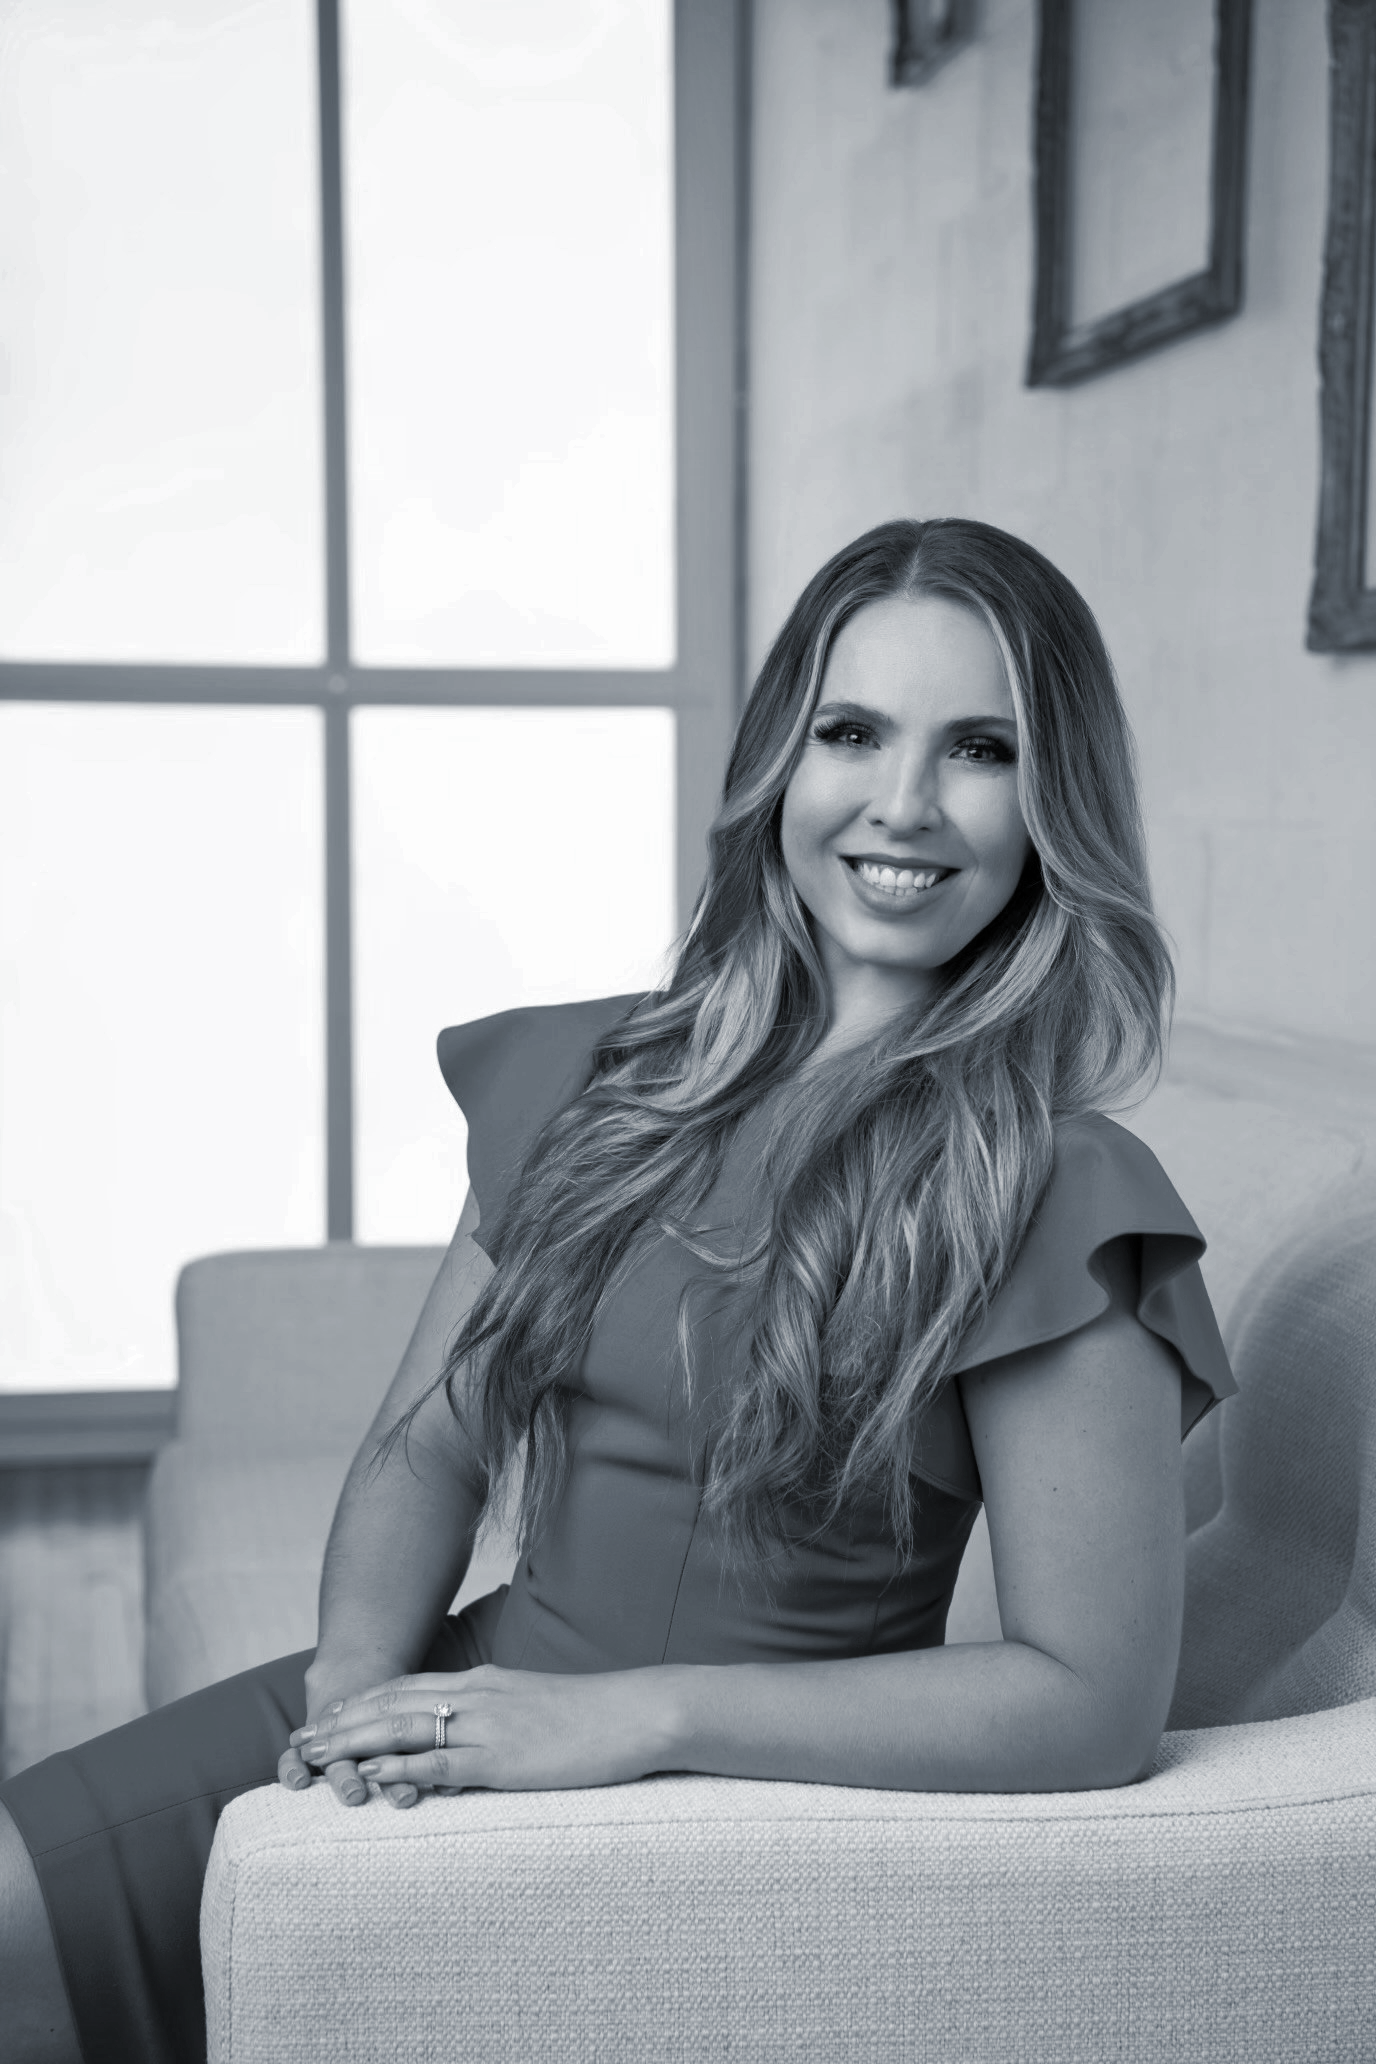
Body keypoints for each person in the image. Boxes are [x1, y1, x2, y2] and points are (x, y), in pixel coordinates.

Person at [0, 517, 1235, 2063]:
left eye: (981, 748)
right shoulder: (603, 1076)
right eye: (853, 732)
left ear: (1053, 804)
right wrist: (351, 1712)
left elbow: (1092, 1699)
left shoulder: (1050, 1189)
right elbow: (426, 1446)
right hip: (466, 1691)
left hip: (716, 1803)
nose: (904, 806)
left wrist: (631, 1716)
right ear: (783, 755)